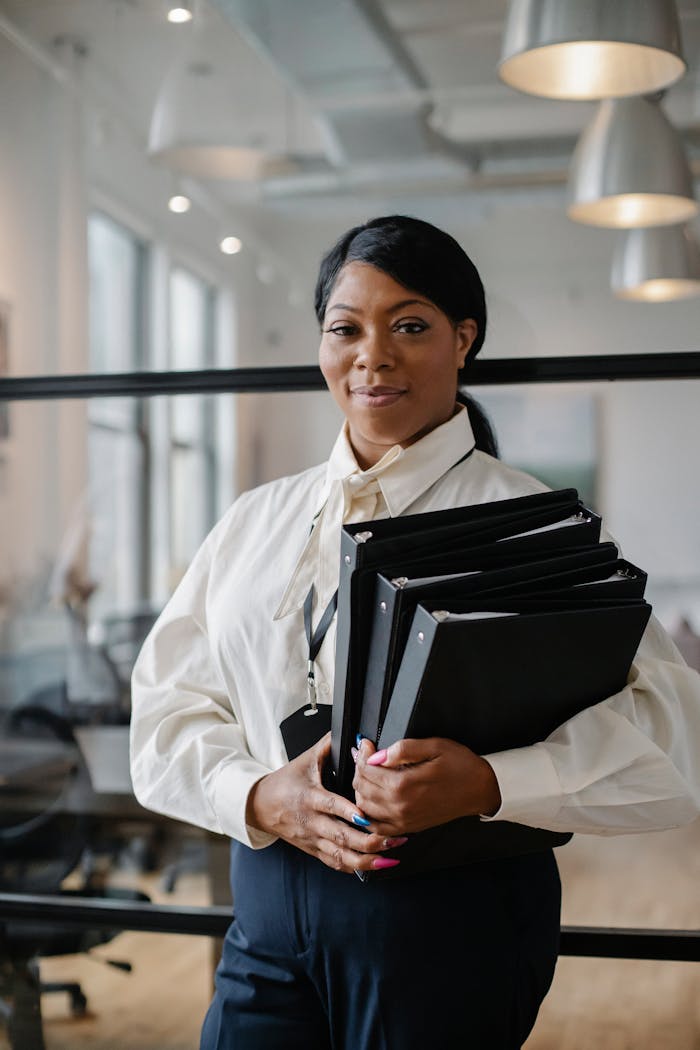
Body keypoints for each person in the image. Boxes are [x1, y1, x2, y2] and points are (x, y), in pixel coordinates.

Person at [130, 215, 700, 1050]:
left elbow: (672, 740)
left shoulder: (531, 526)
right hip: (266, 909)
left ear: (463, 339)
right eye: (345, 328)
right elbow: (164, 708)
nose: (373, 356)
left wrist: (491, 782)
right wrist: (255, 795)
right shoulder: (254, 520)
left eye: (409, 325)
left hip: (450, 926)